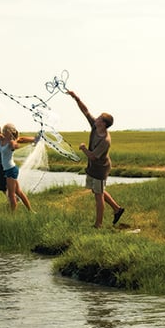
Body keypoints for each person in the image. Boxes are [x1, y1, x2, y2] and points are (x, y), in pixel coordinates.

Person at [67, 90, 125, 228]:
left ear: (104, 124)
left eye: (99, 118)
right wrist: (76, 98)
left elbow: (92, 156)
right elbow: (85, 111)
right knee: (97, 190)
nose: (96, 118)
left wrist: (83, 148)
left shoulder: (105, 140)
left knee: (98, 196)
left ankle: (98, 225)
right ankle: (117, 209)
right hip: (94, 166)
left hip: (100, 168)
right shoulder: (95, 125)